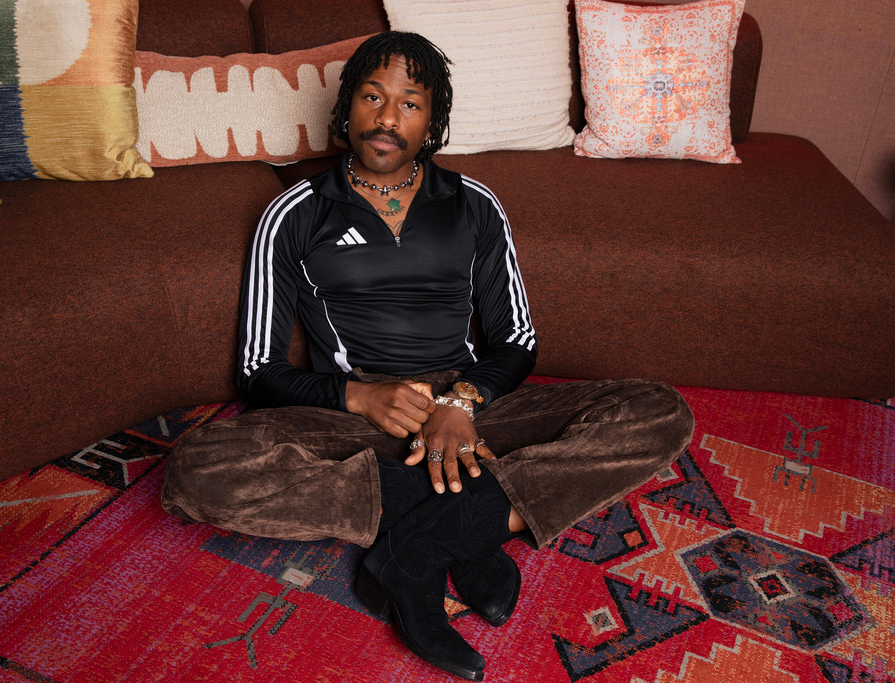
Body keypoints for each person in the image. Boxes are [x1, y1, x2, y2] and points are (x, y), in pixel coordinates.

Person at [161, 31, 694, 681]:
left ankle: (422, 543)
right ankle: (469, 516)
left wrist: (460, 403)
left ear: (431, 121)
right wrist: (360, 396)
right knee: (199, 466)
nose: (387, 117)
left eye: (409, 103)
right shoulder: (293, 213)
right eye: (372, 97)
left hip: (468, 406)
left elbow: (516, 341)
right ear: (347, 108)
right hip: (352, 412)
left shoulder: (475, 204)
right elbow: (257, 371)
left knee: (656, 410)